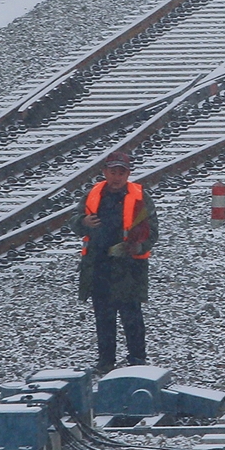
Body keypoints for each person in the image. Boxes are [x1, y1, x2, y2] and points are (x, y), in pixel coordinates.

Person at [75, 149, 157, 373]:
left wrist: (137, 246)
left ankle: (137, 360)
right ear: (104, 172)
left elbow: (152, 232)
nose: (117, 177)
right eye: (113, 172)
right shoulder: (93, 195)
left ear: (128, 174)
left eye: (121, 172)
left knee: (132, 317)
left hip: (129, 267)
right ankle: (106, 362)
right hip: (98, 265)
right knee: (104, 318)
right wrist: (83, 222)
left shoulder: (140, 197)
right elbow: (74, 222)